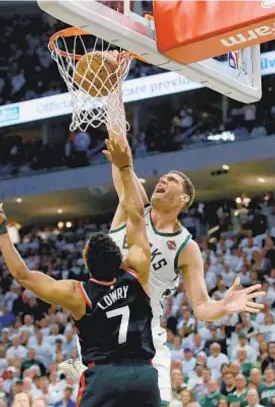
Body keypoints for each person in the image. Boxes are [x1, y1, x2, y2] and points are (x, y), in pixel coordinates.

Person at [61, 92, 266, 407]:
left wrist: (224, 306)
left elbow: (201, 307)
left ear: (184, 199)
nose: (163, 181)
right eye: (163, 178)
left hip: (144, 339)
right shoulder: (132, 208)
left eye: (172, 181)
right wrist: (114, 88)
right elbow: (121, 151)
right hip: (101, 331)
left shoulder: (186, 247)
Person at [0, 138, 161, 407]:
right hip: (143, 374)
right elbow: (135, 215)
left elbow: (22, 275)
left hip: (104, 377)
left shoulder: (77, 293)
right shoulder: (137, 272)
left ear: (86, 262)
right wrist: (125, 168)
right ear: (120, 258)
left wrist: (2, 231)